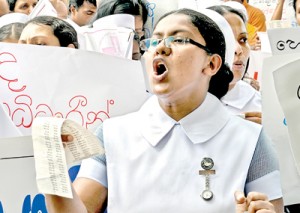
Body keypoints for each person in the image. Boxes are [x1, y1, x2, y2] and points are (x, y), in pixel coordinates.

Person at [44, 8, 283, 213]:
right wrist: (51, 165)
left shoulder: (250, 140)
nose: (161, 48)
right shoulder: (112, 133)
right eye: (155, 40)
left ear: (211, 64)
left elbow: (272, 206)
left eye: (179, 40)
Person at [208, 5, 262, 124]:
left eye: (243, 40)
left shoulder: (259, 106)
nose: (238, 49)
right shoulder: (177, 101)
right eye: (226, 40)